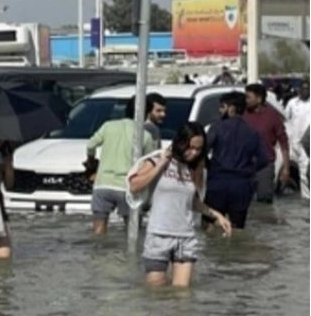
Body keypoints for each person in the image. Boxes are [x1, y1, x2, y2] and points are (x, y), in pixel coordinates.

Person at [129, 122, 231, 288]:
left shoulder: (195, 169)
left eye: (199, 149)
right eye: (191, 148)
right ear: (180, 143)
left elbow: (191, 201)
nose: (194, 153)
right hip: (158, 236)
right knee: (156, 292)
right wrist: (161, 165)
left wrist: (215, 215)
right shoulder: (156, 160)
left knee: (181, 296)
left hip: (185, 238)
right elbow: (134, 185)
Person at [84, 96, 157, 235]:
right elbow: (150, 162)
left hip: (102, 184)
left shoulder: (108, 126)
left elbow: (90, 145)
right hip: (127, 187)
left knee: (98, 230)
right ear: (147, 113)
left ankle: (98, 255)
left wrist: (91, 161)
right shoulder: (145, 135)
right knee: (132, 232)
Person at [204, 92, 269, 230]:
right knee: (237, 229)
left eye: (222, 107)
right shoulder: (253, 131)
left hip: (217, 182)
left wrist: (209, 166)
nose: (219, 110)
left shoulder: (217, 127)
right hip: (242, 185)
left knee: (210, 226)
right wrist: (249, 170)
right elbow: (265, 158)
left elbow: (202, 151)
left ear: (231, 108)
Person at [243, 83, 289, 203]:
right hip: (244, 166)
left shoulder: (272, 116)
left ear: (259, 99)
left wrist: (286, 168)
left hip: (265, 167)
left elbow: (284, 143)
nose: (245, 100)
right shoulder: (242, 115)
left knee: (265, 204)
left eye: (248, 97)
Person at [284, 80, 310, 199]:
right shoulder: (292, 103)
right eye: (303, 88)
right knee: (300, 170)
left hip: (308, 141)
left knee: (305, 169)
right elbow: (286, 119)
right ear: (299, 90)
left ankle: (307, 197)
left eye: (308, 88)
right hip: (296, 142)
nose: (305, 91)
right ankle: (305, 197)